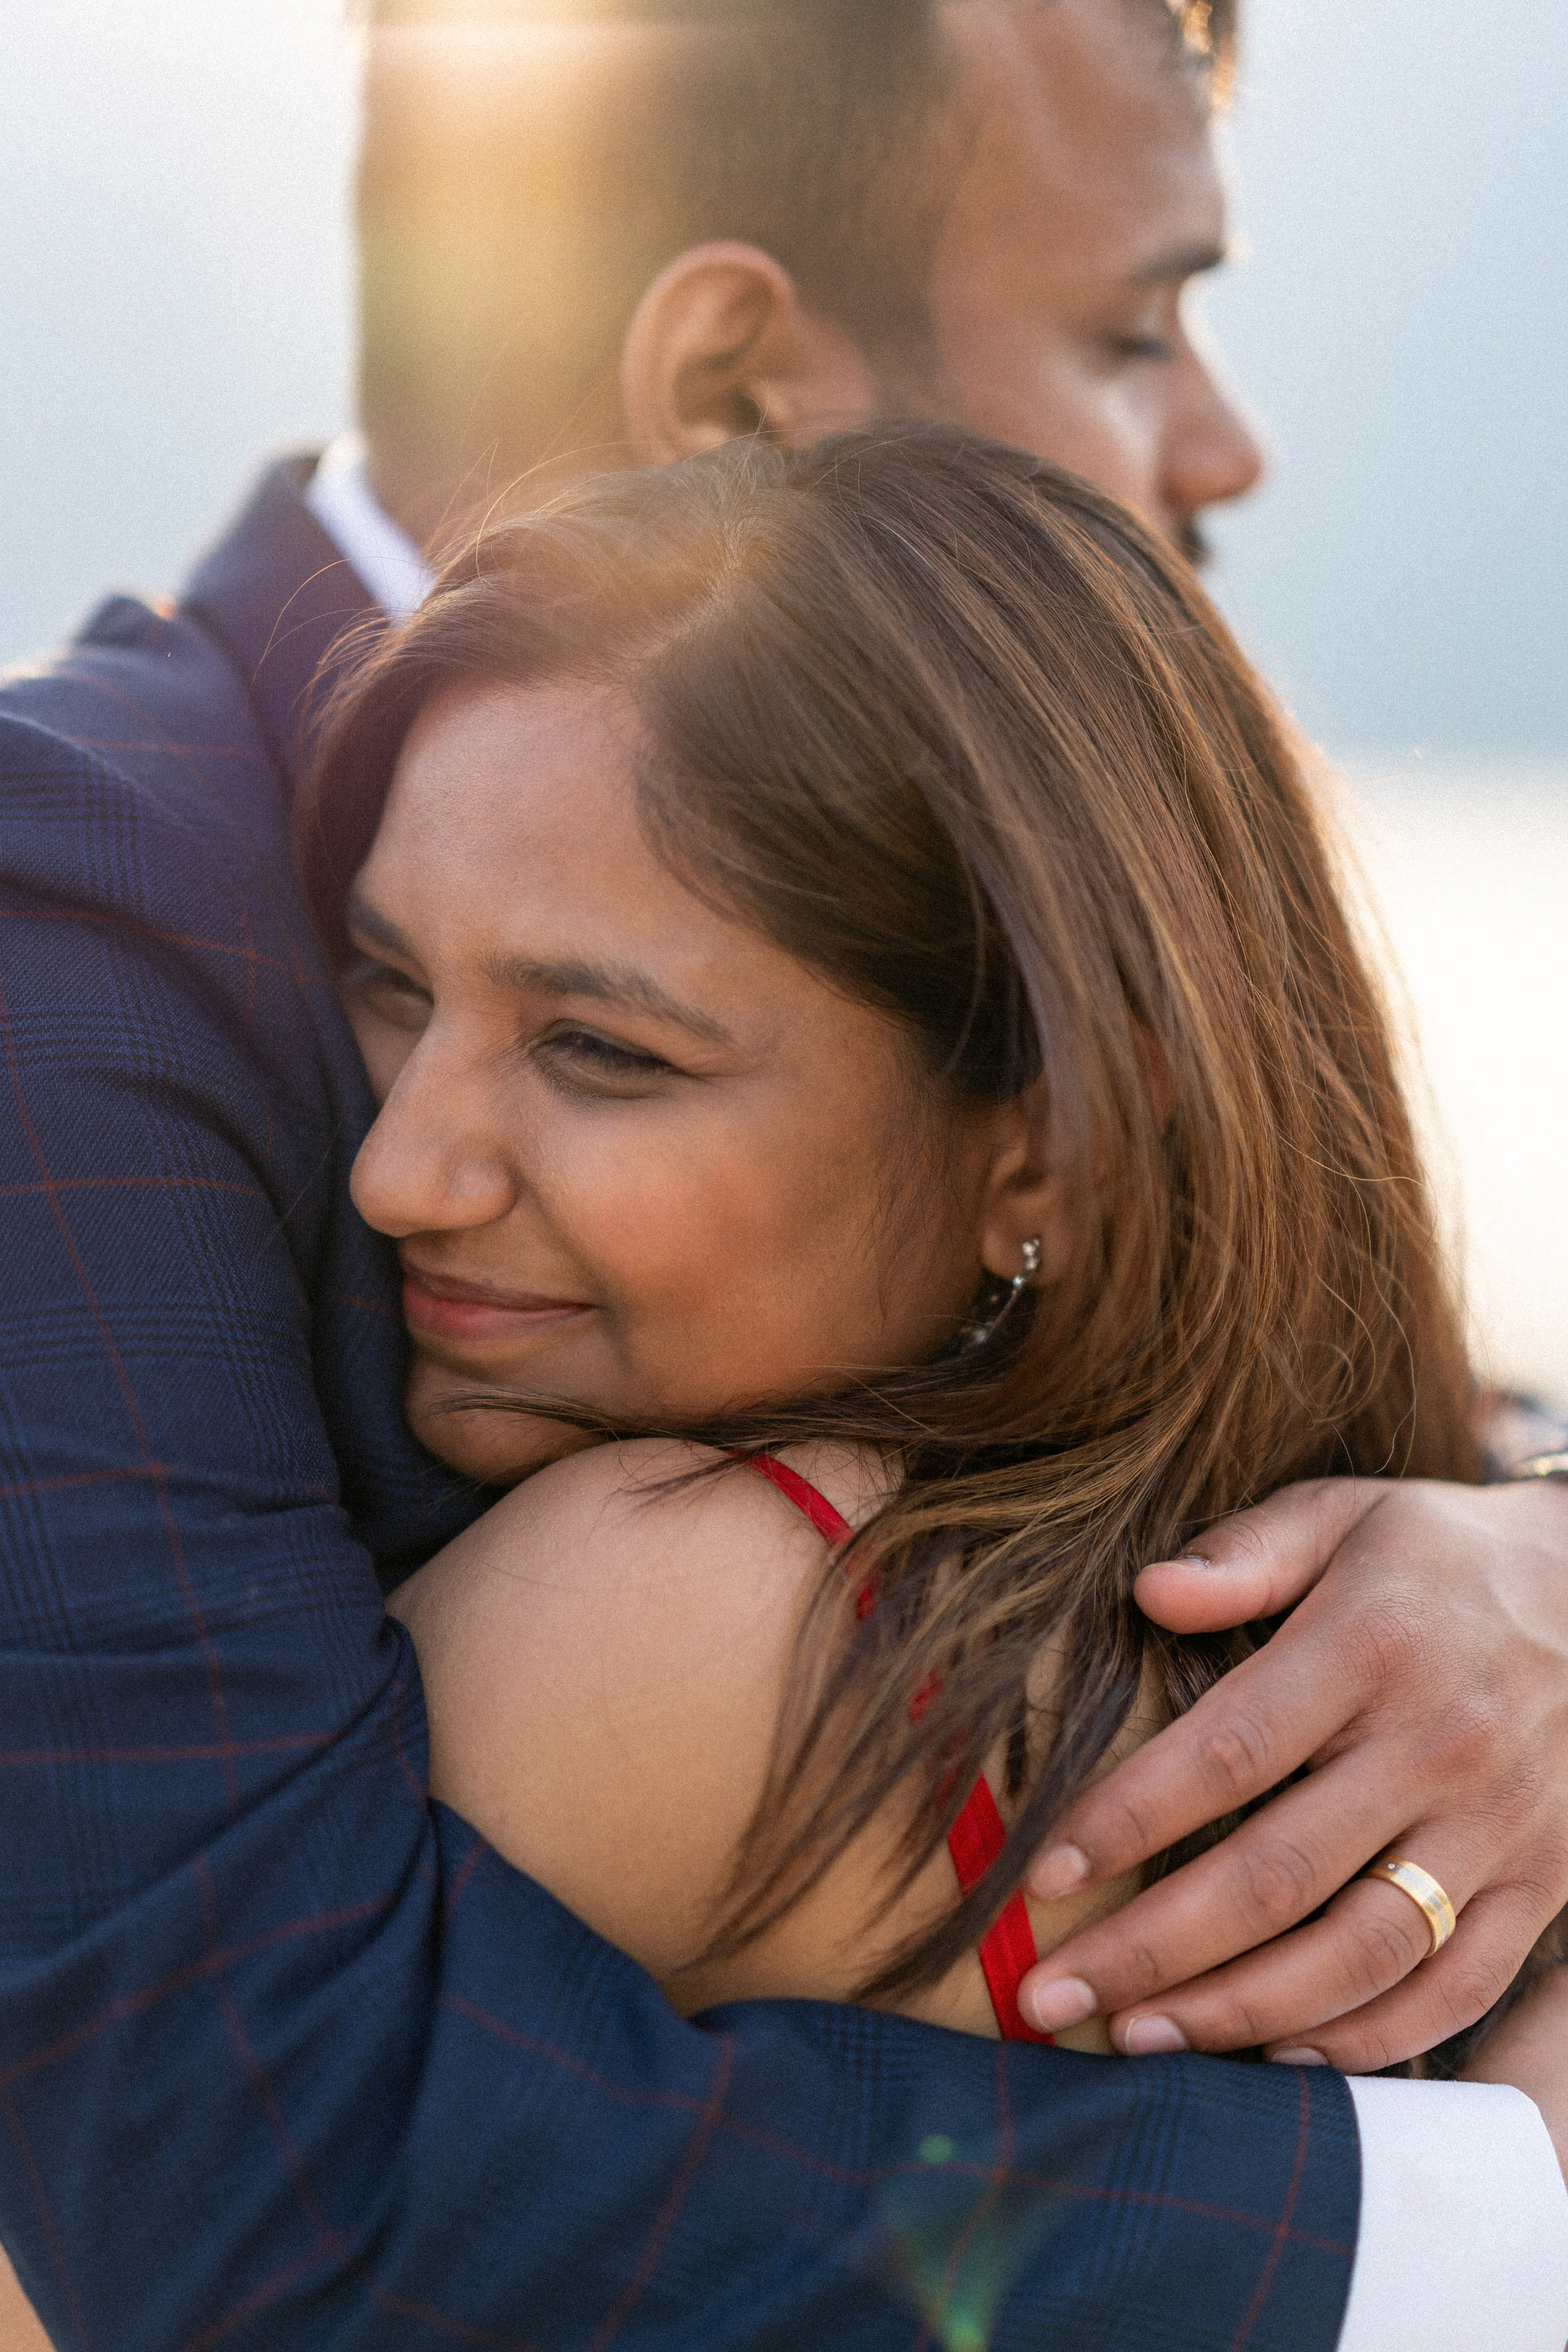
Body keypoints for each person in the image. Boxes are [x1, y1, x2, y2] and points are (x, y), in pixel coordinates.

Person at [2, 2, 1567, 2346]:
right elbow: (236, 2162)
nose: (1228, 443)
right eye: (1133, 324)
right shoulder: (76, 928)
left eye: (602, 1047)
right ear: (733, 384)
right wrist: (1488, 2219)